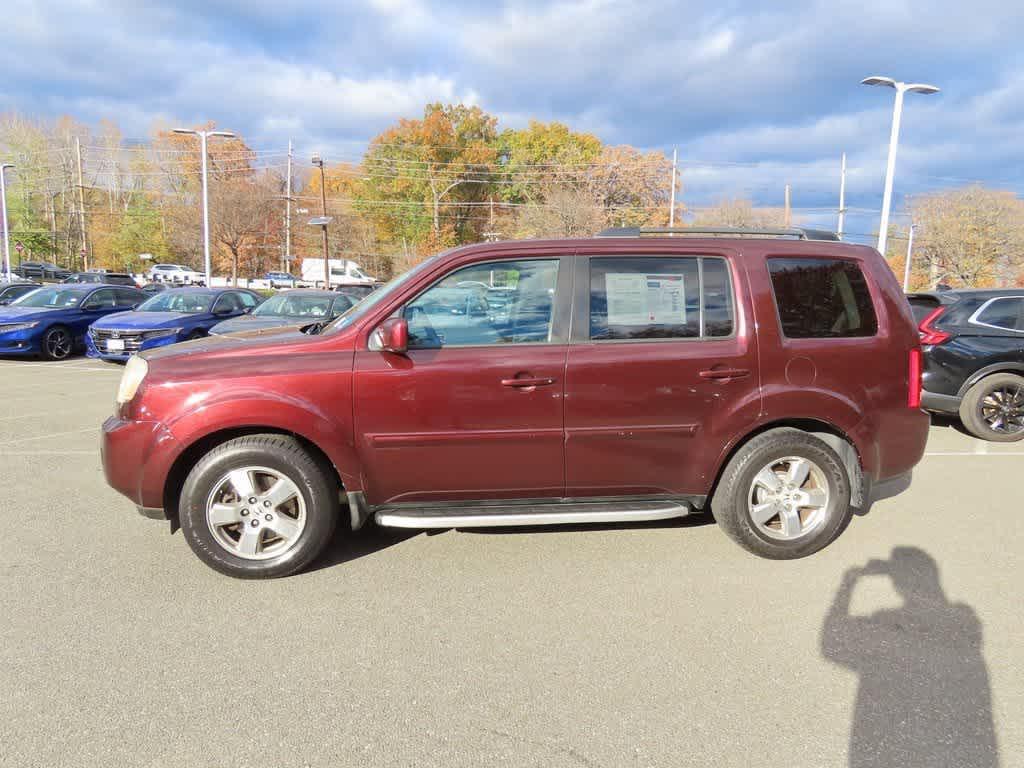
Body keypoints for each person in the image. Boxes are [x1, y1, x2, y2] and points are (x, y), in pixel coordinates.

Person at [821, 547, 998, 767]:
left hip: (886, 748)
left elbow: (831, 642)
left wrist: (848, 582)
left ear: (898, 584)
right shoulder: (964, 620)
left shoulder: (886, 622)